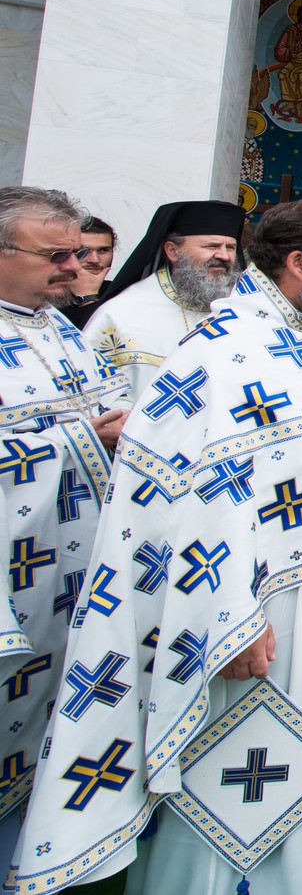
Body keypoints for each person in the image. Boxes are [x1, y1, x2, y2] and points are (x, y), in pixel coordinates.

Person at [14, 199, 302, 894]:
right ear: (300, 264)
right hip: (280, 609)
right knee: (260, 776)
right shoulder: (226, 351)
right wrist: (229, 618)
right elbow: (194, 499)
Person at [0, 188, 123, 867]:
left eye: (78, 254)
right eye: (57, 255)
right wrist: (85, 434)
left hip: (70, 565)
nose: (74, 268)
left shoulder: (56, 328)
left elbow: (106, 400)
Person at [81, 200, 246, 406]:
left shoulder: (244, 312)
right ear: (172, 251)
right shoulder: (122, 314)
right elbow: (91, 393)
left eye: (230, 247)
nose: (224, 256)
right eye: (211, 246)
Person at [57, 216, 116, 327]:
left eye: (103, 250)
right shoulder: (44, 293)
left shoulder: (121, 293)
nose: (94, 260)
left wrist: (88, 297)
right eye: (82, 251)